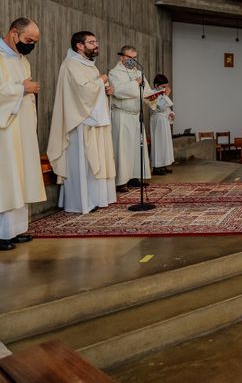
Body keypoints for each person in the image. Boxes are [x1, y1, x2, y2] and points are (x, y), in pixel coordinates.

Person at [47, 31, 116, 214]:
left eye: (96, 41)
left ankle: (95, 199)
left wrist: (105, 90)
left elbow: (93, 89)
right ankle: (82, 202)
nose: (96, 45)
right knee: (83, 163)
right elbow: (83, 92)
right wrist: (101, 80)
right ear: (79, 45)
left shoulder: (88, 65)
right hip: (80, 122)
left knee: (97, 161)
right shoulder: (71, 64)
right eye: (92, 42)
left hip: (94, 121)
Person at [0, 18, 46, 251]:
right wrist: (22, 89)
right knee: (6, 180)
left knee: (20, 178)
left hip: (21, 128)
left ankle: (16, 229)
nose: (31, 45)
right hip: (4, 130)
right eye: (28, 40)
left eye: (34, 42)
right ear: (14, 34)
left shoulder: (22, 60)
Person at [109, 46, 157, 191]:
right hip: (122, 115)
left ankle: (135, 177)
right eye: (130, 58)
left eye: (135, 58)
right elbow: (118, 91)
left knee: (137, 148)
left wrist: (153, 96)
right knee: (122, 149)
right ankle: (121, 181)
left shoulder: (139, 73)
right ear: (121, 57)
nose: (133, 61)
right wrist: (135, 84)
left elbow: (146, 91)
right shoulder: (114, 73)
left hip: (136, 116)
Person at [150, 74, 175, 175]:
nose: (165, 89)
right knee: (158, 143)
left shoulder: (162, 94)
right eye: (163, 87)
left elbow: (166, 108)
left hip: (164, 120)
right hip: (158, 120)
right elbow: (160, 107)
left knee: (165, 144)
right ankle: (156, 167)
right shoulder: (152, 94)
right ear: (156, 85)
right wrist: (166, 95)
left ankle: (164, 164)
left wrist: (171, 113)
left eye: (166, 87)